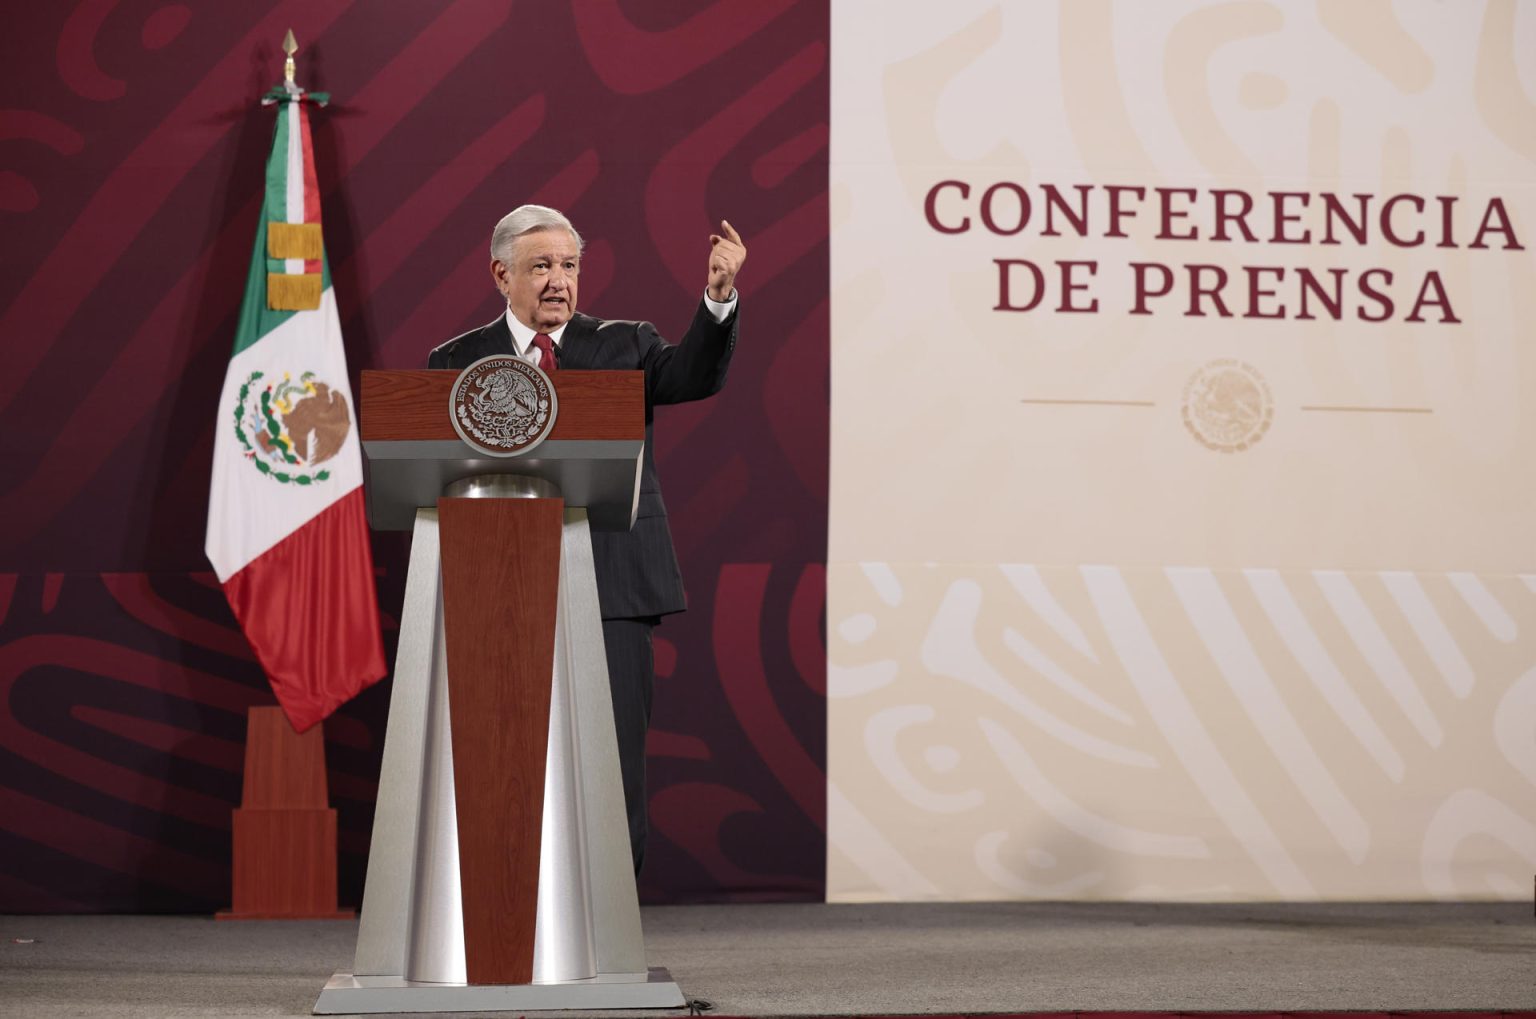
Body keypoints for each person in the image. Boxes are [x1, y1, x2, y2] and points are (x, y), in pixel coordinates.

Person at [427, 205, 746, 875]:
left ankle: (612, 942)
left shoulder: (626, 346)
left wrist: (718, 300)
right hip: (499, 590)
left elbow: (693, 374)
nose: (558, 281)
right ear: (501, 273)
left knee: (612, 768)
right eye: (541, 265)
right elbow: (431, 470)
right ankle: (506, 928)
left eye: (568, 266)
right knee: (504, 764)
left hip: (614, 585)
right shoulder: (455, 361)